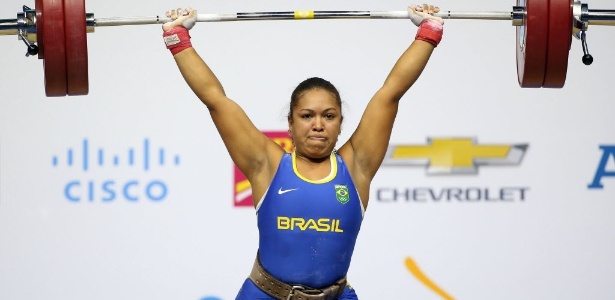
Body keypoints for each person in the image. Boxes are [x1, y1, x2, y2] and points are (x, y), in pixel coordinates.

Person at [162, 4, 443, 299]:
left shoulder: (356, 164)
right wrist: (177, 38)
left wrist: (428, 33)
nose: (318, 125)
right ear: (291, 124)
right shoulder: (266, 166)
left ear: (340, 123)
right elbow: (215, 99)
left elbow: (391, 92)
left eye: (329, 116)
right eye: (307, 116)